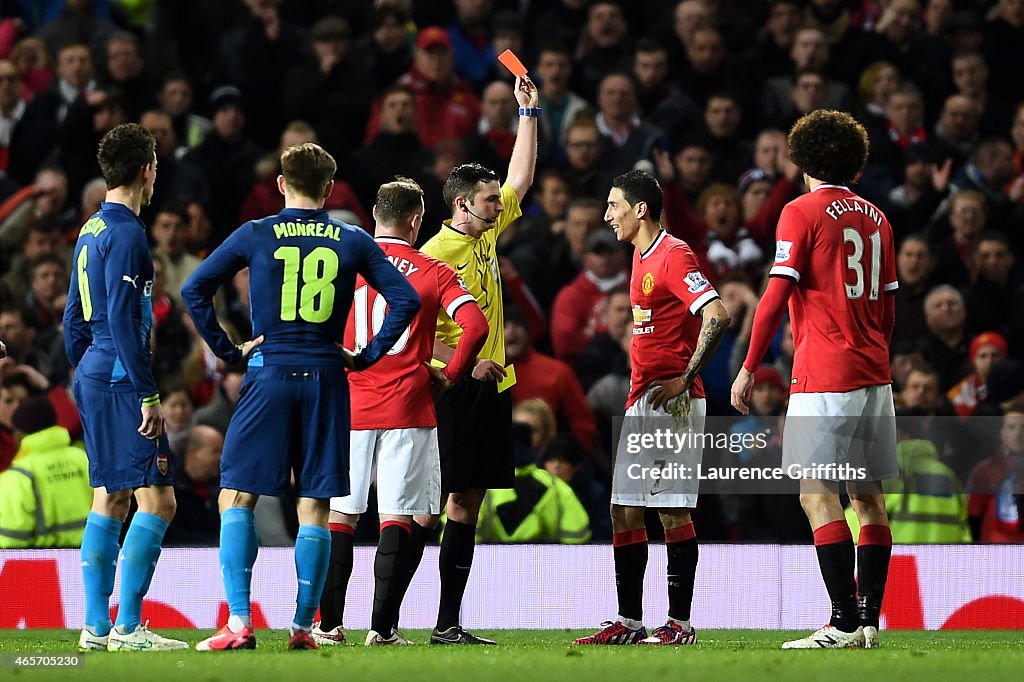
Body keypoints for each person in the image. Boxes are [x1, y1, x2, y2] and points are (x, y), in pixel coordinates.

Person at [181, 142, 420, 651]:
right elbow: (405, 298)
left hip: (268, 372)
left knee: (236, 496)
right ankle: (302, 626)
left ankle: (240, 624)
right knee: (315, 503)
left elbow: (195, 290)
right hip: (328, 375)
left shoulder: (257, 232)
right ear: (330, 189)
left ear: (281, 184)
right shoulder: (351, 238)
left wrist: (229, 350)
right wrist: (365, 354)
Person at [731, 110, 899, 650]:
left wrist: (750, 365)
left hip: (825, 374)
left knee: (816, 493)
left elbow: (774, 298)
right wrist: (873, 353)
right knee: (867, 496)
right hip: (874, 372)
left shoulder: (800, 211)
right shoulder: (877, 217)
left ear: (802, 160)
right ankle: (869, 619)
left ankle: (843, 621)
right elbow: (890, 306)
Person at [315, 178, 487, 647]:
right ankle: (382, 629)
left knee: (341, 517)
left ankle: (328, 626)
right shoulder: (433, 271)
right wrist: (450, 373)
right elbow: (476, 327)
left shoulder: (343, 266)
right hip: (408, 406)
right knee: (398, 515)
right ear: (416, 221)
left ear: (374, 213)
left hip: (350, 405)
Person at [574, 169, 729, 646]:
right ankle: (629, 622)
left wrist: (686, 377)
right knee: (624, 509)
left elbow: (717, 314)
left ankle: (679, 626)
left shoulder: (672, 255)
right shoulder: (642, 256)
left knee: (672, 513)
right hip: (644, 398)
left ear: (640, 209)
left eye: (613, 205)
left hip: (672, 402)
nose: (607, 215)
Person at [411, 75, 538, 645]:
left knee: (468, 500)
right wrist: (456, 358)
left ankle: (448, 623)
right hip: (453, 386)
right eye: (489, 200)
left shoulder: (483, 235)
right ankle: (386, 616)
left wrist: (527, 114)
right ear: (462, 204)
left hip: (491, 385)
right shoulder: (437, 253)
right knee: (433, 504)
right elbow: (409, 331)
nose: (501, 204)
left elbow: (520, 178)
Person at [63, 123, 187, 652]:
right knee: (158, 502)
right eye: (155, 163)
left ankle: (95, 627)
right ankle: (129, 627)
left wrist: (86, 369)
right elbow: (119, 314)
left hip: (93, 371)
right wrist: (146, 394)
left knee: (109, 497)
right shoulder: (131, 233)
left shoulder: (90, 229)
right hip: (120, 376)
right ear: (146, 170)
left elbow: (74, 316)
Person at [0, 395, 91, 548]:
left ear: (21, 433)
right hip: (92, 558)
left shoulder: (19, 476)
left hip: (43, 564)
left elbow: (11, 541)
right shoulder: (83, 459)